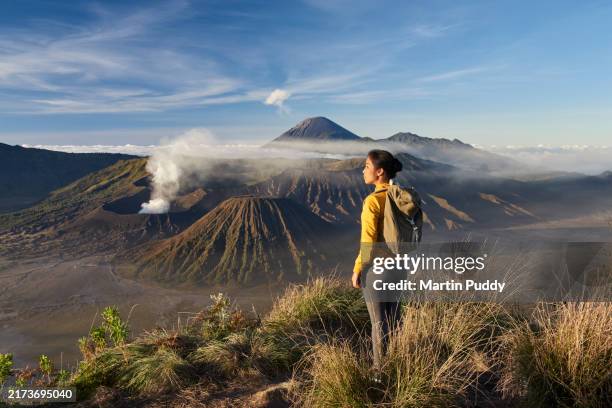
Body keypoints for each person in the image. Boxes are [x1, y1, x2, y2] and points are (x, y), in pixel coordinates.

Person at [352, 149, 404, 371]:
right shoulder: (400, 196)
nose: (363, 170)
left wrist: (358, 269)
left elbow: (368, 241)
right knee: (394, 321)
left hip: (379, 270)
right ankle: (398, 364)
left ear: (379, 171)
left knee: (378, 323)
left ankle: (379, 372)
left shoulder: (373, 201)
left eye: (366, 166)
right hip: (401, 267)